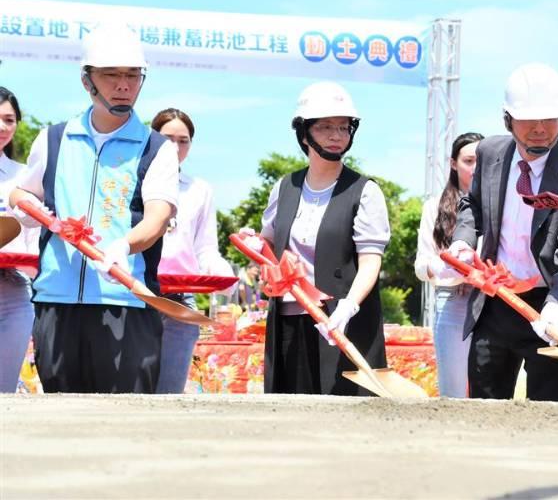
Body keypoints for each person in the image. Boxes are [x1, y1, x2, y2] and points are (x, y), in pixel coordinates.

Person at [8, 23, 179, 394]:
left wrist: (124, 246)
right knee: (62, 413)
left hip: (126, 302)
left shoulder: (156, 148)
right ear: (87, 81)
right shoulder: (54, 138)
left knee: (127, 415)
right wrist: (28, 206)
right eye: (112, 75)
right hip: (57, 300)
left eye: (133, 75)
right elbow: (21, 193)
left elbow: (158, 216)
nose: (124, 85)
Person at [441, 63, 558, 402]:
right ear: (507, 119)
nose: (540, 129)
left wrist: (557, 306)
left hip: (547, 304)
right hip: (495, 301)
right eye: (529, 119)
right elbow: (472, 205)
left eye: (550, 119)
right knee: (484, 404)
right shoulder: (490, 152)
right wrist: (462, 242)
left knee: (550, 411)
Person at [243, 81, 390, 395]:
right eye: (325, 127)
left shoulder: (365, 191)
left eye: (343, 127)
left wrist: (348, 306)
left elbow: (370, 263)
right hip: (288, 320)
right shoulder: (284, 187)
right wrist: (255, 246)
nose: (336, 136)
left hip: (340, 320)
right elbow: (269, 245)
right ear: (304, 132)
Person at [151, 108, 235, 394]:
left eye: (183, 140)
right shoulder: (133, 182)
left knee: (170, 388)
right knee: (131, 386)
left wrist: (220, 270)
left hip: (181, 295)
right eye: (167, 139)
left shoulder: (199, 189)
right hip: (137, 291)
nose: (175, 147)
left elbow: (205, 247)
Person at [414, 131, 483, 397]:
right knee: (453, 391)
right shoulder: (435, 207)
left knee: (491, 389)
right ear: (453, 163)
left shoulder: (498, 204)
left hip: (493, 304)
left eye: (481, 160)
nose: (475, 168)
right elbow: (422, 264)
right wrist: (443, 269)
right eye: (468, 160)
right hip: (453, 299)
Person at [0, 87, 38, 393]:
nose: (2, 127)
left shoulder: (24, 176)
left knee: (4, 389)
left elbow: (35, 236)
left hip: (13, 292)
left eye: (9, 119)